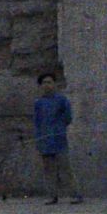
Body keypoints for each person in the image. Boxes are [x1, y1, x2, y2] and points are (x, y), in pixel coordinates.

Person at [33, 72, 82, 205]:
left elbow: (68, 118)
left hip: (59, 139)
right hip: (45, 141)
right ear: (40, 86)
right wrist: (39, 139)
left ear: (54, 84)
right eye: (44, 83)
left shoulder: (62, 100)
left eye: (49, 82)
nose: (47, 85)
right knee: (49, 170)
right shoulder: (38, 103)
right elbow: (37, 122)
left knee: (65, 168)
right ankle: (52, 196)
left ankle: (75, 195)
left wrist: (58, 129)